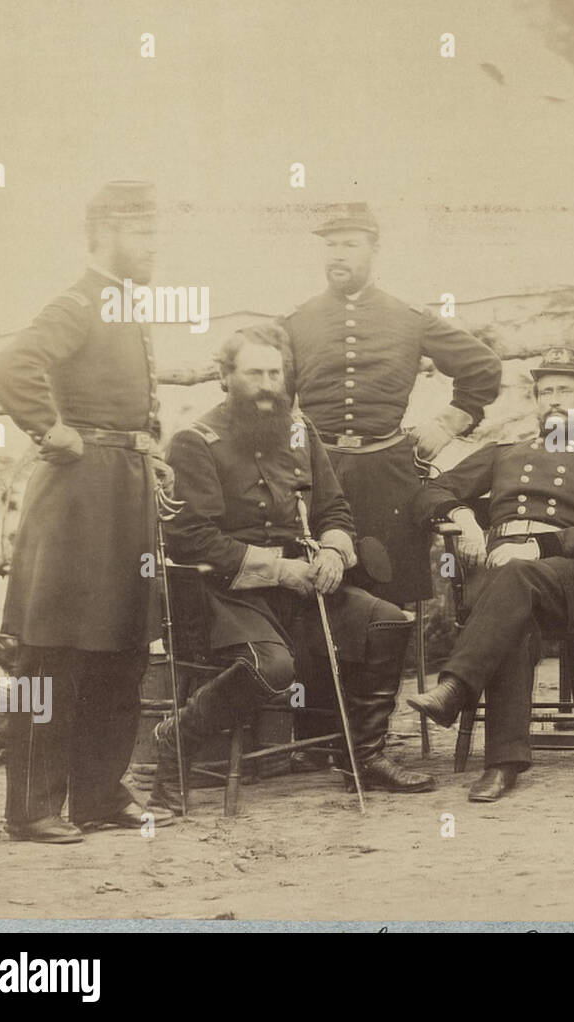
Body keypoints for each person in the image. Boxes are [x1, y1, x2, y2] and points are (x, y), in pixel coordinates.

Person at [151, 325, 434, 812]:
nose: (267, 384)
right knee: (274, 668)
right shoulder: (195, 441)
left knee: (388, 621)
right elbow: (190, 537)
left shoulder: (302, 432)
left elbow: (335, 509)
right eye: (254, 373)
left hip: (302, 588)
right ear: (225, 377)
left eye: (274, 373)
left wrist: (332, 547)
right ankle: (178, 742)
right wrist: (280, 570)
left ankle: (362, 757)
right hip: (224, 594)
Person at [0, 180, 176, 842]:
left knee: (120, 646)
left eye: (157, 230)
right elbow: (14, 364)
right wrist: (49, 429)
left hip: (122, 493)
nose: (155, 244)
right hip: (76, 500)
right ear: (103, 234)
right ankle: (33, 807)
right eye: (142, 231)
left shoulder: (125, 305)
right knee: (56, 652)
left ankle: (98, 794)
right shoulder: (79, 303)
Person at [405, 348, 574, 802]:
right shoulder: (505, 452)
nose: (553, 399)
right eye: (545, 391)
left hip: (566, 579)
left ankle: (454, 688)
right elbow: (432, 489)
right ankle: (502, 765)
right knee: (513, 612)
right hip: (503, 584)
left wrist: (536, 545)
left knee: (515, 578)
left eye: (564, 390)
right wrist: (465, 519)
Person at [282, 202, 502, 607]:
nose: (338, 254)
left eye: (350, 243)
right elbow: (272, 396)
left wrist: (447, 425)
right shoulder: (298, 321)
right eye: (330, 245)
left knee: (388, 594)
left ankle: (386, 672)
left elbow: (483, 367)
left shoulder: (408, 318)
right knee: (316, 594)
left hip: (387, 476)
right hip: (316, 471)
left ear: (374, 249)